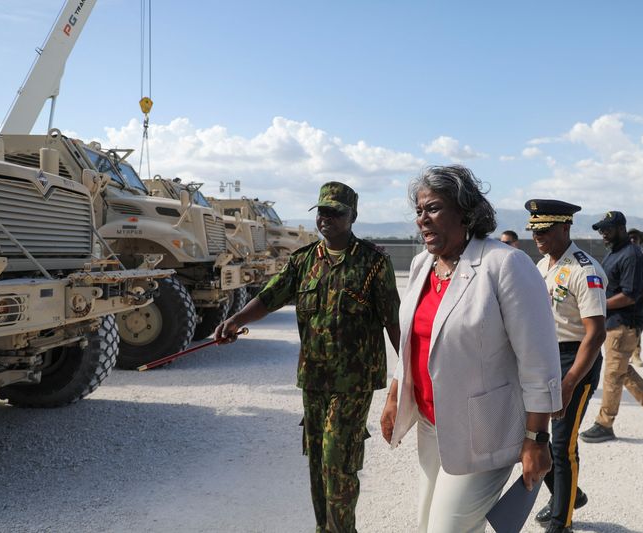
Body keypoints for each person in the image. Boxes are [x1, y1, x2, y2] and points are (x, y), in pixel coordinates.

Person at [379, 165, 561, 533]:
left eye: (432, 209)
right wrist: (395, 394)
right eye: (418, 211)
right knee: (428, 521)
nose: (422, 220)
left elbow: (539, 360)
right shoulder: (421, 265)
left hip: (484, 431)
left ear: (464, 211)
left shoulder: (505, 264)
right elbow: (414, 341)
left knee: (446, 529)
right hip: (432, 427)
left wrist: (537, 439)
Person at [215, 181, 401, 533]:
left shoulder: (374, 264)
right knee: (317, 460)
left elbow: (393, 319)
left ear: (353, 217)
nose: (327, 218)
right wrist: (235, 320)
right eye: (322, 211)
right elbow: (270, 298)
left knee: (338, 461)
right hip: (314, 378)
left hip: (354, 381)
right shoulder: (303, 262)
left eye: (336, 212)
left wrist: (406, 377)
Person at [526, 199, 607, 533]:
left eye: (545, 231)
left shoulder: (584, 270)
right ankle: (569, 494)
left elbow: (596, 333)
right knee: (533, 437)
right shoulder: (542, 264)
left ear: (564, 228)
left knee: (562, 444)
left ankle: (562, 522)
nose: (538, 237)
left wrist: (571, 380)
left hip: (574, 360)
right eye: (535, 230)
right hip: (544, 359)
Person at [579, 211, 643, 443]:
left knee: (612, 374)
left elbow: (630, 295)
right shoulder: (614, 253)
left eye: (607, 230)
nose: (603, 235)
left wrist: (596, 305)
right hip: (611, 322)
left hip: (624, 323)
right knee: (619, 368)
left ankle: (604, 424)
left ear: (621, 228)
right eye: (601, 231)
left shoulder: (631, 255)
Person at [627, 229, 643, 367]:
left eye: (635, 238)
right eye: (630, 238)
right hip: (624, 296)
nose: (632, 240)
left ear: (641, 240)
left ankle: (636, 353)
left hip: (641, 296)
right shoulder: (623, 254)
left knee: (638, 326)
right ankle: (627, 352)